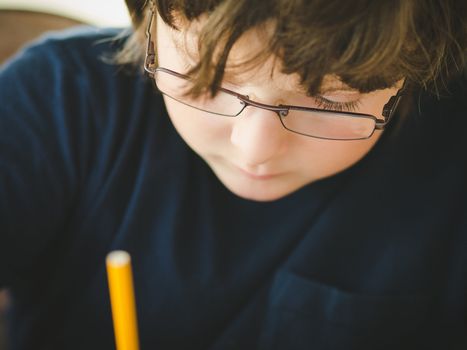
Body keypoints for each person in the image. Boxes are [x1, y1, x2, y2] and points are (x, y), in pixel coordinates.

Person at [0, 0, 466, 349]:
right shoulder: (61, 99)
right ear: (148, 28)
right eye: (207, 79)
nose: (255, 149)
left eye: (331, 101)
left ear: (411, 78)